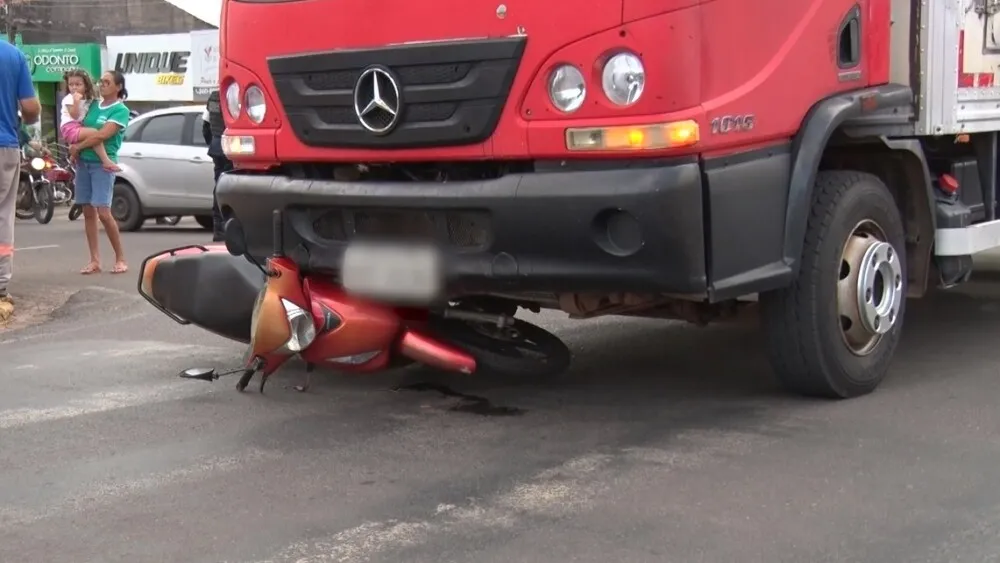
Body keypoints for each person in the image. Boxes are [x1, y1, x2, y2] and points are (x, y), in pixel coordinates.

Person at [68, 70, 131, 275]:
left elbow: (103, 134)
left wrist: (79, 146)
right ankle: (95, 260)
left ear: (118, 87)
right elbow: (78, 125)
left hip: (102, 165)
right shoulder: (93, 105)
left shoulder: (120, 110)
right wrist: (75, 147)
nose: (102, 85)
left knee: (104, 212)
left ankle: (120, 258)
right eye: (101, 81)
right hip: (83, 163)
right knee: (88, 212)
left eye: (107, 82)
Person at [0, 42, 41, 321]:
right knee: (3, 215)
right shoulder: (12, 55)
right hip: (4, 146)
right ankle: (0, 286)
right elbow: (31, 108)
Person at [60, 69, 120, 171]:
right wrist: (76, 101)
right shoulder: (69, 98)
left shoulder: (88, 99)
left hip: (79, 126)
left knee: (92, 138)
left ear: (86, 85)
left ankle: (74, 156)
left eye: (78, 84)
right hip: (69, 127)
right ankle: (105, 160)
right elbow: (74, 116)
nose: (74, 87)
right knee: (94, 133)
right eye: (71, 85)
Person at [203, 89, 231, 241]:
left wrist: (213, 144)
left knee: (219, 187)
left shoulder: (214, 97)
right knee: (232, 187)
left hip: (217, 147)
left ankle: (218, 229)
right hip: (234, 147)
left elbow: (206, 126)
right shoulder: (236, 92)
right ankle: (229, 227)